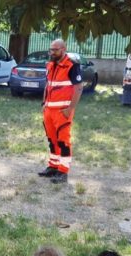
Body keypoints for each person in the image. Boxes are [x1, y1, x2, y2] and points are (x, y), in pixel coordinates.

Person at [37, 39, 84, 184]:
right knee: (52, 140)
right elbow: (48, 85)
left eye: (55, 50)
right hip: (49, 110)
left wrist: (70, 108)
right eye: (51, 49)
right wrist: (44, 103)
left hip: (62, 111)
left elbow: (78, 88)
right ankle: (53, 166)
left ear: (64, 49)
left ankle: (63, 171)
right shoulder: (51, 65)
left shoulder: (71, 65)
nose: (52, 52)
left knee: (63, 141)